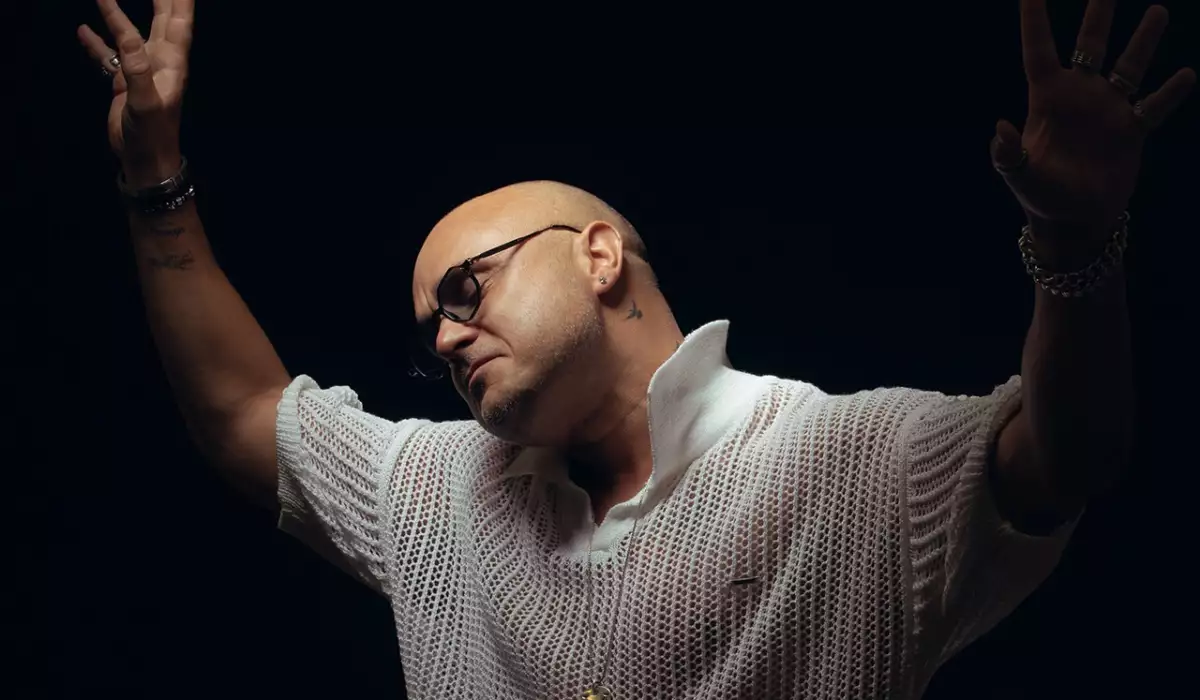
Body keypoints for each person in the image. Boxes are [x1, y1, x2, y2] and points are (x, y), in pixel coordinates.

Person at [78, 0, 1193, 698]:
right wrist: (153, 179)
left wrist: (1075, 247)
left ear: (601, 256)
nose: (448, 337)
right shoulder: (436, 493)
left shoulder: (851, 463)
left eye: (467, 290)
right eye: (431, 331)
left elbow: (1064, 456)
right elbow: (243, 410)